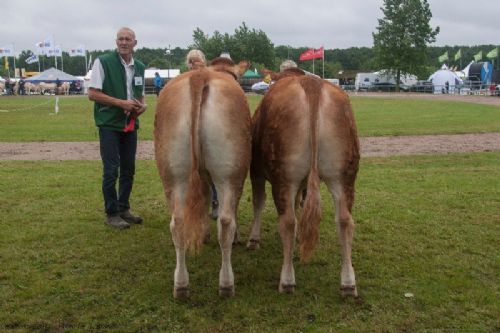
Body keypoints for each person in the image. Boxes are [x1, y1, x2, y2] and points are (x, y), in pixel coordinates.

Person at [88, 27, 147, 229]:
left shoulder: (139, 66)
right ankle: (112, 213)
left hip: (130, 125)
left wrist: (142, 106)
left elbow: (139, 96)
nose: (123, 42)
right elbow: (93, 94)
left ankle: (123, 208)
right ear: (116, 42)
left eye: (127, 39)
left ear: (134, 43)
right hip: (109, 124)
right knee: (111, 170)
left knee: (129, 169)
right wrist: (121, 103)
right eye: (120, 39)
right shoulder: (103, 62)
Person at [185, 49, 218, 220]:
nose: (193, 64)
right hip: (188, 132)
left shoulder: (212, 80)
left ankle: (215, 202)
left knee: (213, 172)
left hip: (210, 130)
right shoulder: (182, 83)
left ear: (203, 61)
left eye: (196, 60)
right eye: (191, 61)